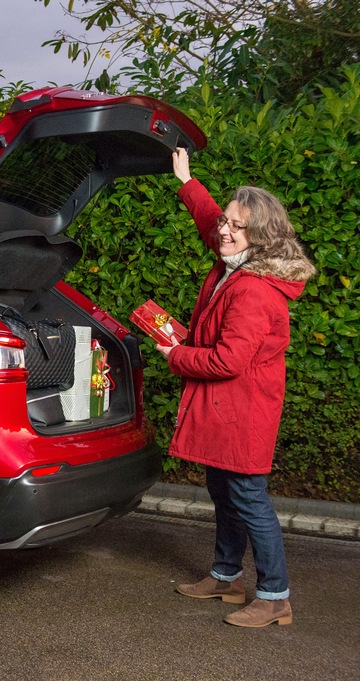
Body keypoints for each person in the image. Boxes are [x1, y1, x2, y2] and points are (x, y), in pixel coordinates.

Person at [158, 148, 315, 627]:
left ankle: (274, 596)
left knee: (248, 496)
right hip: (230, 407)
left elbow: (229, 360)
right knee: (223, 489)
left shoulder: (251, 289)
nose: (223, 230)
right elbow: (210, 219)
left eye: (236, 226)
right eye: (227, 221)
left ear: (261, 239)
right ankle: (226, 576)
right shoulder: (239, 260)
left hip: (243, 409)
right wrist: (186, 180)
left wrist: (176, 356)